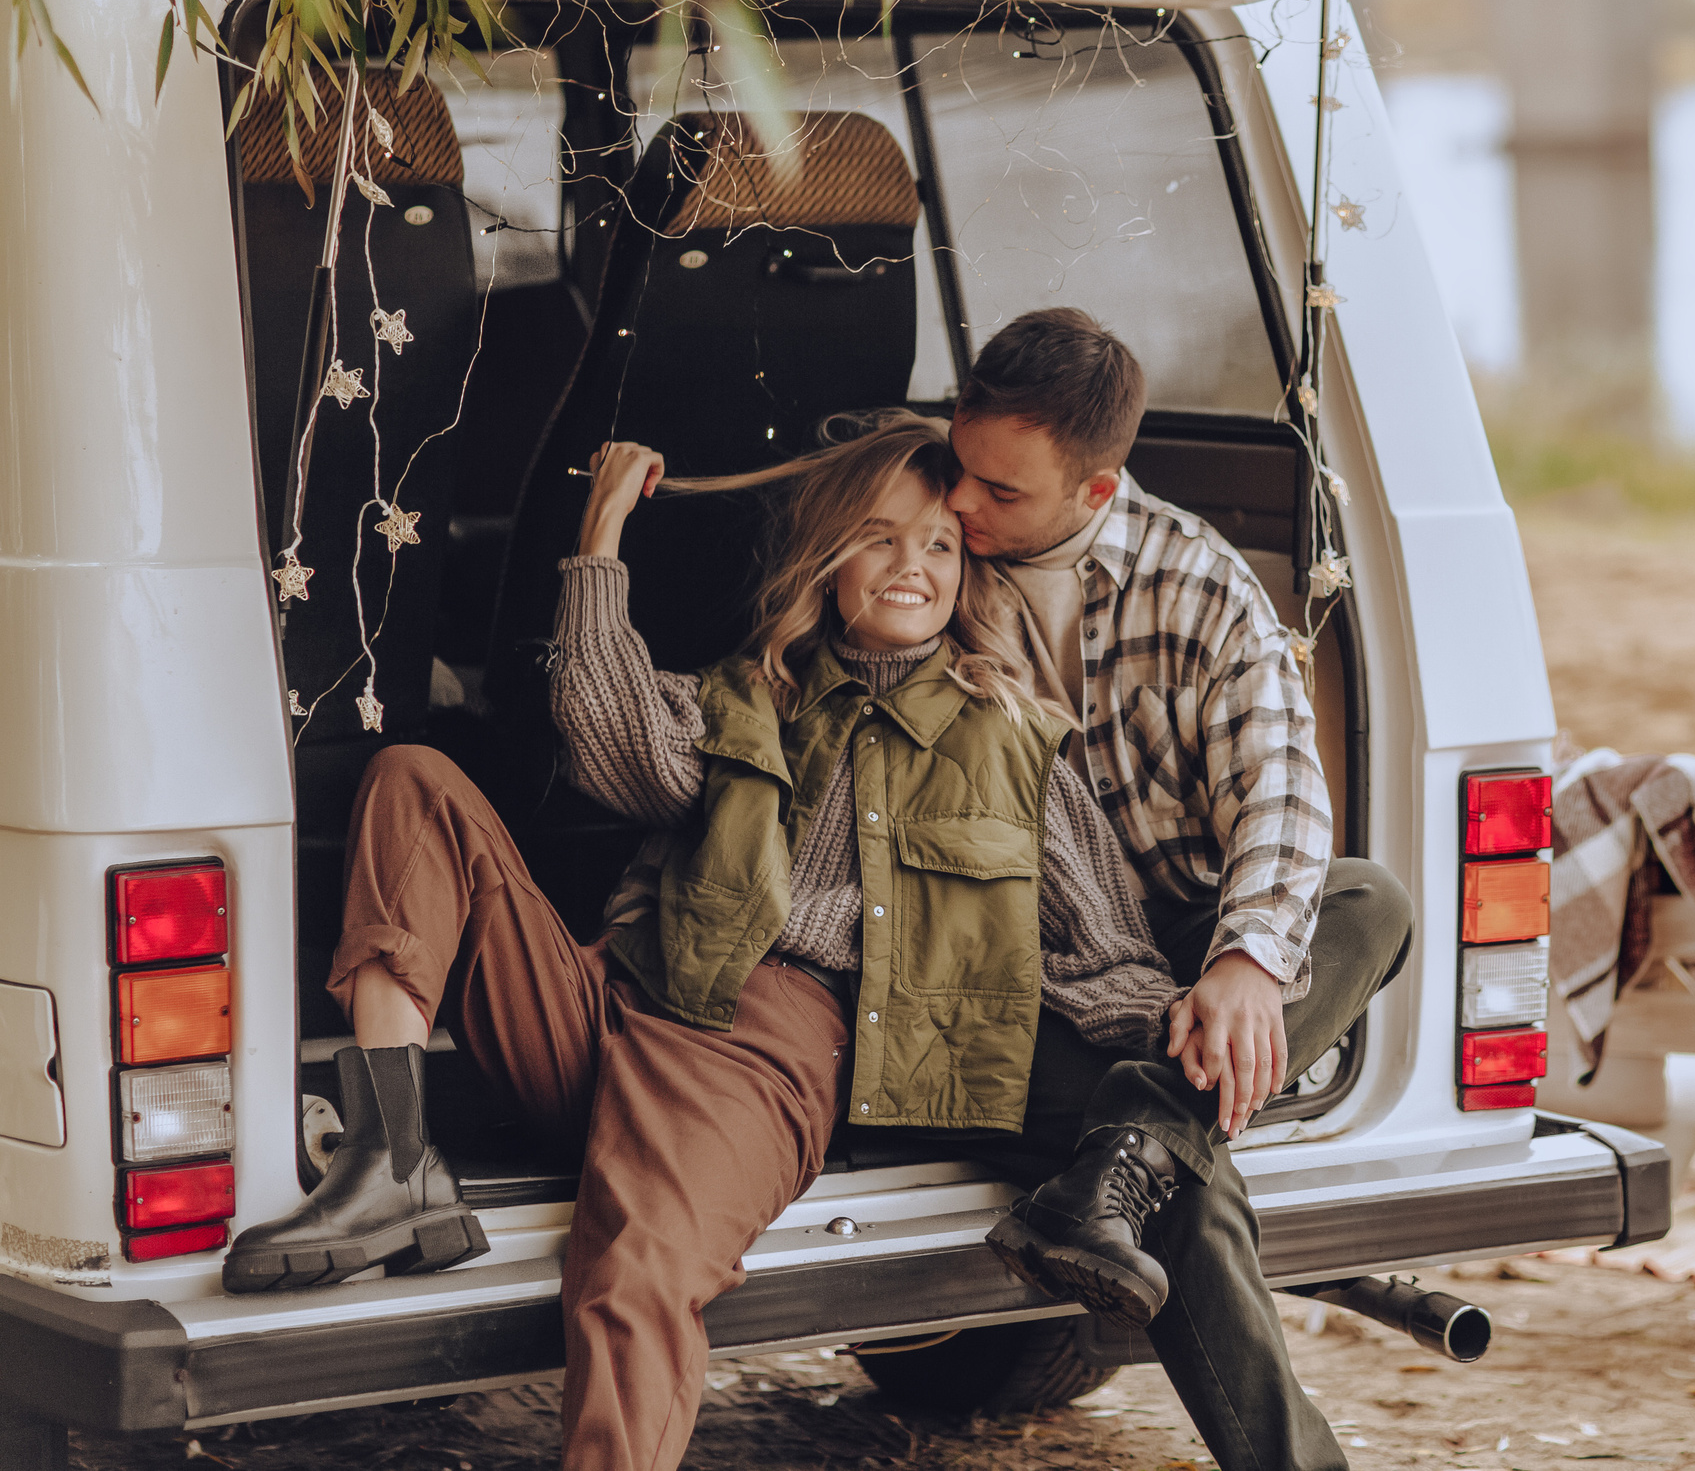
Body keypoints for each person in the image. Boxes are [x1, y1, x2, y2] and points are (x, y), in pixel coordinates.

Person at [222, 414, 1183, 1471]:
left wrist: (1200, 1024)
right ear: (828, 561)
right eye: (880, 536)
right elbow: (600, 722)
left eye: (940, 545)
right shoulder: (747, 697)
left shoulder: (1009, 739)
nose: (913, 565)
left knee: (632, 1278)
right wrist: (598, 539)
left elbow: (1110, 952)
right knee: (413, 780)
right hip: (610, 997)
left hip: (750, 1037)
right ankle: (389, 1155)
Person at [934, 307, 1415, 1471]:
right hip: (1012, 964)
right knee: (1181, 1187)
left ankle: (1132, 1146)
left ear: (1096, 492)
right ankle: (1143, 1151)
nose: (959, 506)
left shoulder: (1198, 585)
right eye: (960, 468)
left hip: (1170, 929)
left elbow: (1283, 794)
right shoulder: (926, 539)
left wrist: (1246, 966)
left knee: (1372, 903)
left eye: (999, 492)